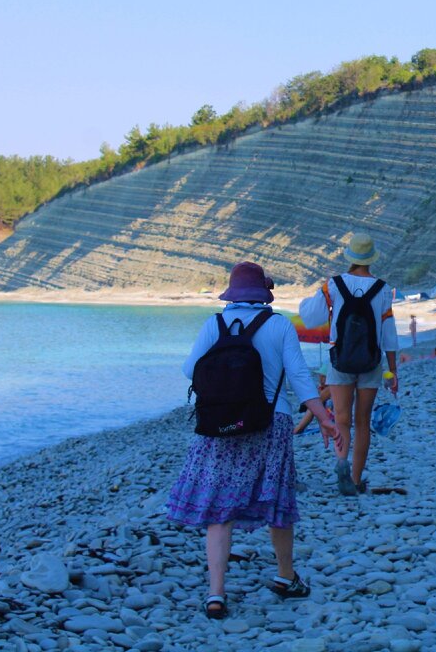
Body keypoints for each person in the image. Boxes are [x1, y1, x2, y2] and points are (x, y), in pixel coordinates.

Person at [167, 262, 341, 618]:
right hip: (269, 422)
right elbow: (298, 377)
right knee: (277, 503)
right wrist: (324, 417)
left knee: (220, 506)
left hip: (221, 425)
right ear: (264, 294)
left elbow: (189, 370)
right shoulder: (278, 325)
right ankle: (285, 576)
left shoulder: (214, 324)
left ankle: (216, 594)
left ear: (232, 294)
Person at [299, 232, 399, 495]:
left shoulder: (333, 285)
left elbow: (311, 317)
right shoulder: (383, 288)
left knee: (341, 418)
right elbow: (389, 333)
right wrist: (393, 371)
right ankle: (355, 480)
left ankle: (341, 463)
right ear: (371, 258)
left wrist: (306, 301)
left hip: (339, 360)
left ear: (350, 256)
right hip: (371, 361)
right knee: (363, 421)